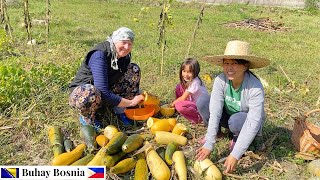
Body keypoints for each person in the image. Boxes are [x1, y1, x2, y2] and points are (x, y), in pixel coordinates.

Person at [196, 40, 270, 173]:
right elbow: (215, 111)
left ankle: (237, 137)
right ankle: (218, 133)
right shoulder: (220, 80)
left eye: (234, 63)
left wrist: (235, 155)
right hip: (226, 116)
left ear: (245, 66)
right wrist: (210, 141)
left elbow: (253, 121)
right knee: (203, 101)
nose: (229, 68)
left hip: (242, 120)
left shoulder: (255, 87)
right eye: (226, 63)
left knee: (236, 121)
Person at [68, 27, 144, 129]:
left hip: (105, 90)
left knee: (133, 69)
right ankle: (88, 118)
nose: (126, 47)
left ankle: (120, 110)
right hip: (84, 94)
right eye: (124, 42)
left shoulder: (123, 55)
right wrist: (131, 102)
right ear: (115, 41)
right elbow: (103, 91)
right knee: (88, 92)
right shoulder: (99, 55)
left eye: (130, 44)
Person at [171, 58, 210, 125]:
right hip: (193, 100)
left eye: (189, 72)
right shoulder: (191, 81)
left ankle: (198, 118)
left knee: (179, 106)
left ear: (195, 72)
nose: (186, 74)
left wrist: (173, 103)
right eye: (184, 71)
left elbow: (183, 98)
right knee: (179, 87)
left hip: (200, 108)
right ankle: (177, 107)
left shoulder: (195, 83)